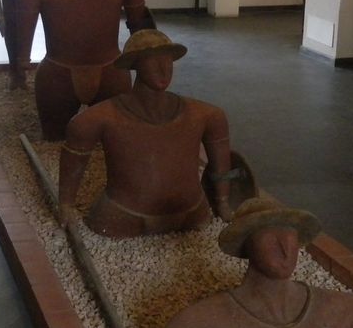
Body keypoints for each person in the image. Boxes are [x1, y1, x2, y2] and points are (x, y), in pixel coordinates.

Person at [160, 197, 353, 328]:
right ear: (247, 245)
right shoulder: (193, 324)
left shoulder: (352, 310)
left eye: (291, 237)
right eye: (270, 237)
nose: (285, 249)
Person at [59, 29, 235, 238]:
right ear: (136, 65)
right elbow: (74, 162)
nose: (163, 68)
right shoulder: (97, 119)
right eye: (153, 61)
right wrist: (66, 205)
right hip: (123, 214)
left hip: (191, 211)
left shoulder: (207, 115)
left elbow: (221, 166)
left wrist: (222, 202)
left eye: (168, 60)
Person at [14, 0, 153, 137]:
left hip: (111, 71)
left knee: (116, 135)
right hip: (59, 73)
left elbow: (144, 39)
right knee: (55, 136)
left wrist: (146, 60)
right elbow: (23, 43)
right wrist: (22, 60)